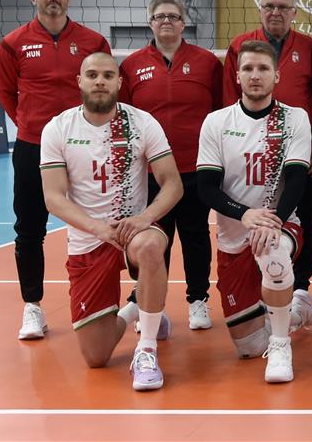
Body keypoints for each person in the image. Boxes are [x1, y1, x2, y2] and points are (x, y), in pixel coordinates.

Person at [40, 52, 180, 390]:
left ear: (119, 82)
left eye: (107, 75)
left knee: (150, 245)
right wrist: (100, 229)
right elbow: (54, 197)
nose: (100, 81)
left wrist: (145, 217)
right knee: (96, 356)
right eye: (92, 75)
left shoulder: (142, 123)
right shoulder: (58, 128)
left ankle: (146, 349)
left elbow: (173, 184)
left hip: (134, 231)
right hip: (89, 239)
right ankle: (136, 307)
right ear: (80, 81)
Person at [0, 0, 111, 339]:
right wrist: (36, 129)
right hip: (34, 147)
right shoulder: (13, 43)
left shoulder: (93, 41)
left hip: (87, 144)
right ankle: (33, 306)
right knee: (29, 228)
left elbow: (105, 85)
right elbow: (6, 94)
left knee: (108, 221)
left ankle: (124, 301)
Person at [196, 41, 312, 383]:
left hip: (282, 224)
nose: (255, 75)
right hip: (234, 235)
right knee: (248, 347)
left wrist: (273, 222)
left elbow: (296, 180)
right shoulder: (217, 122)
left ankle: (280, 345)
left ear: (277, 76)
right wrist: (245, 214)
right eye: (248, 68)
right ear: (237, 76)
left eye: (263, 68)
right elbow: (206, 187)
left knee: (272, 250)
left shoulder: (294, 118)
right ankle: (297, 311)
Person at [225, 0, 312, 331]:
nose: (275, 12)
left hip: (301, 152)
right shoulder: (240, 46)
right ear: (260, 10)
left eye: (283, 7)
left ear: (294, 13)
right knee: (253, 220)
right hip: (253, 153)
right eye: (269, 6)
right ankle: (262, 288)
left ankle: (301, 292)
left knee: (305, 220)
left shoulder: (309, 46)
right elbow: (228, 100)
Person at [119, 0, 221, 330]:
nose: (166, 21)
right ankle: (150, 304)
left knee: (195, 235)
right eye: (160, 16)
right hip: (150, 172)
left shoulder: (207, 62)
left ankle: (198, 300)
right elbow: (123, 117)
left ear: (183, 23)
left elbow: (221, 112)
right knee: (152, 238)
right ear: (150, 23)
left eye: (173, 16)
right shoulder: (131, 65)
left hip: (195, 167)